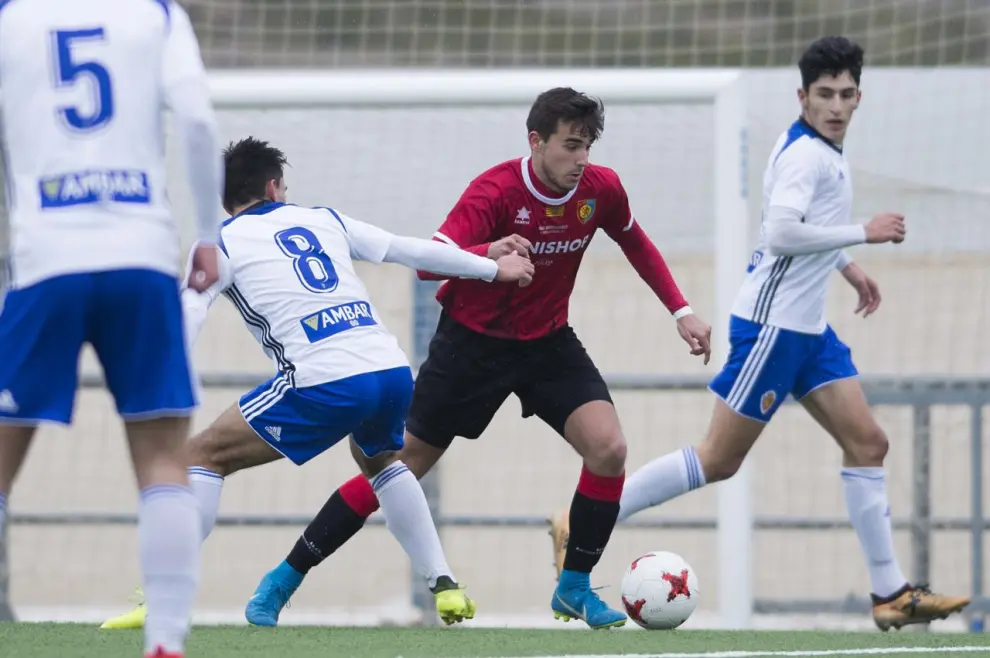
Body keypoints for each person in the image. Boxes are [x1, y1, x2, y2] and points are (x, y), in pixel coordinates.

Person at [230, 87, 712, 630]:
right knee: (396, 468)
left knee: (609, 449)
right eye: (570, 145)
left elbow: (636, 242)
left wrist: (682, 310)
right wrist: (488, 251)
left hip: (547, 343)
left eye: (588, 147)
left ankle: (573, 586)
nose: (581, 160)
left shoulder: (601, 189)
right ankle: (284, 578)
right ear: (536, 141)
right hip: (470, 346)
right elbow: (431, 262)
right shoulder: (494, 191)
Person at [548, 35, 970, 632]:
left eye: (846, 94)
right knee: (718, 459)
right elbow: (780, 233)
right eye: (823, 94)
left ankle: (890, 593)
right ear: (802, 96)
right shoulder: (806, 154)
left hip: (808, 331)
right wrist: (863, 234)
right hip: (772, 330)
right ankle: (580, 520)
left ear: (858, 97)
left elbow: (805, 229)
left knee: (869, 444)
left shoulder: (824, 148)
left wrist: (847, 268)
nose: (835, 104)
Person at [99, 136, 535, 631]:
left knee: (199, 457)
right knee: (382, 462)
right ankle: (446, 586)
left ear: (226, 200)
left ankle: (162, 596)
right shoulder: (324, 217)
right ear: (274, 186)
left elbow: (190, 310)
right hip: (390, 370)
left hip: (324, 380)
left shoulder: (216, 244)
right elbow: (406, 249)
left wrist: (160, 376)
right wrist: (490, 267)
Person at [0, 1, 223, 656]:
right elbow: (200, 124)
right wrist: (207, 235)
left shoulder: (11, 18)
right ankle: (165, 640)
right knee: (161, 459)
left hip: (46, 261)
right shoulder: (155, 15)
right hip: (142, 259)